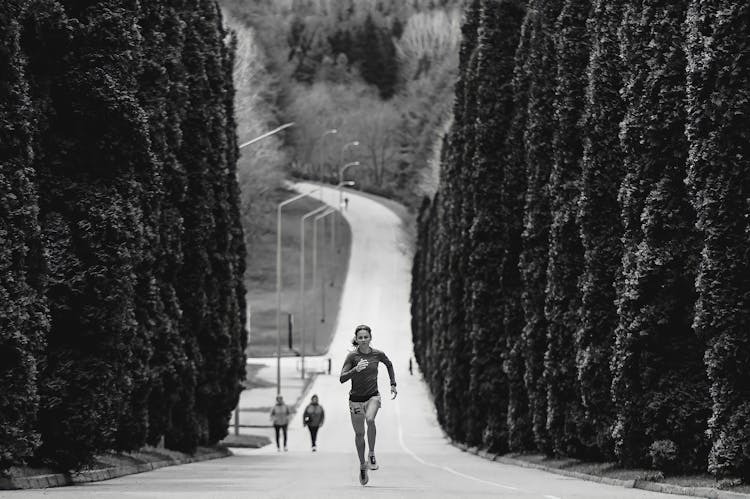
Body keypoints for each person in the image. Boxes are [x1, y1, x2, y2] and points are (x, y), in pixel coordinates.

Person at [339, 324, 397, 486]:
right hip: (355, 399)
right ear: (356, 340)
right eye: (360, 337)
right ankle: (362, 465)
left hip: (373, 396)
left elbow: (389, 364)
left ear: (370, 338)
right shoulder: (352, 357)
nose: (363, 340)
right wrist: (355, 370)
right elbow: (342, 378)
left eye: (366, 337)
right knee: (359, 434)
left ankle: (371, 453)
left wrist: (393, 384)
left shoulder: (378, 354)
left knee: (370, 420)